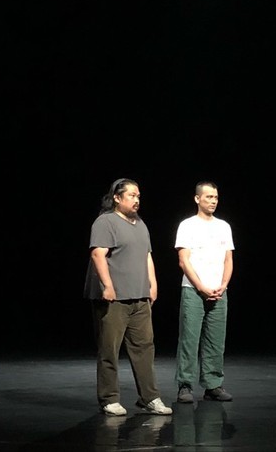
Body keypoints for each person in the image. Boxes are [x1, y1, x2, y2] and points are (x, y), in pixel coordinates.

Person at [83, 178, 174, 416]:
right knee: (109, 349)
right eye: (131, 195)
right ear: (117, 197)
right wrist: (107, 286)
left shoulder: (140, 224)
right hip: (114, 299)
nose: (136, 200)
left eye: (138, 196)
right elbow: (98, 255)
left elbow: (147, 256)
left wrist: (152, 284)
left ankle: (149, 397)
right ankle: (109, 399)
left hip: (139, 296)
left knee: (145, 347)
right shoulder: (106, 222)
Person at [174, 180, 235, 404]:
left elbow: (228, 260)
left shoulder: (224, 226)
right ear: (197, 198)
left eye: (216, 197)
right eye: (209, 197)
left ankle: (213, 385)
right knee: (189, 339)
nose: (213, 201)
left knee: (216, 341)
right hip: (193, 290)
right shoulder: (187, 225)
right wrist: (201, 287)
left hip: (219, 291)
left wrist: (223, 285)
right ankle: (185, 385)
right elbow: (184, 261)